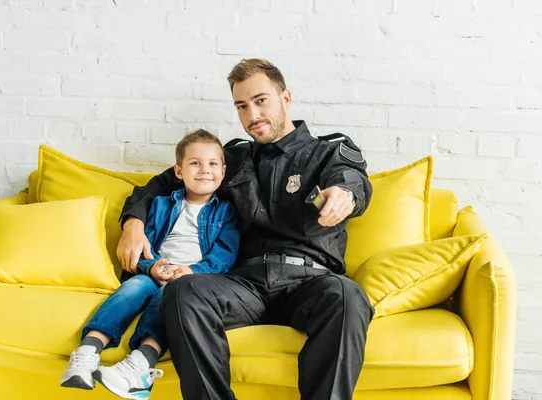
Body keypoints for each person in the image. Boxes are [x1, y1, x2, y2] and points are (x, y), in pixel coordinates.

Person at [117, 58, 374, 400]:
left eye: (261, 101)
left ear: (285, 98)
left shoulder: (326, 151)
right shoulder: (231, 158)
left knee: (348, 295)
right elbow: (160, 185)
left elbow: (353, 181)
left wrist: (344, 195)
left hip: (310, 282)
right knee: (182, 292)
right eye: (242, 106)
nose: (252, 115)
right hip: (243, 284)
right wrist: (133, 223)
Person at [60, 129, 240, 399]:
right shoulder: (161, 204)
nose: (205, 170)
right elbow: (147, 246)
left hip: (192, 280)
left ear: (223, 171)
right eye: (195, 163)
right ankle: (88, 351)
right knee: (132, 289)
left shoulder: (226, 211)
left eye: (213, 164)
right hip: (157, 269)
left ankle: (142, 362)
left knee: (166, 298)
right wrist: (152, 266)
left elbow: (224, 255)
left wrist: (191, 271)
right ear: (178, 171)